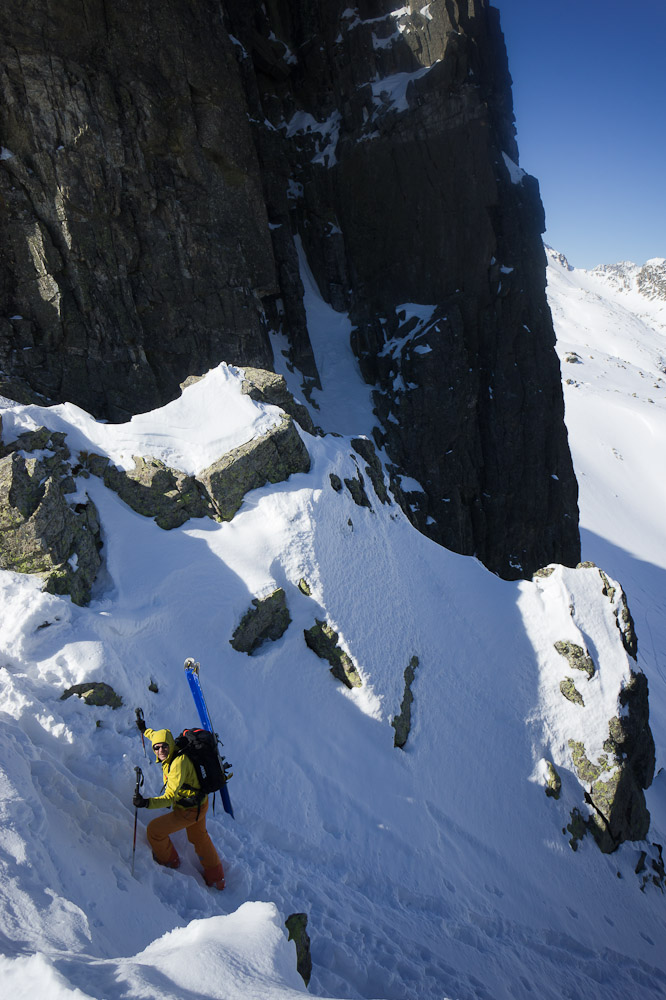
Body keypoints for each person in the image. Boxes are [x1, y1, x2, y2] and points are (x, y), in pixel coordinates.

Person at [133, 718, 225, 890]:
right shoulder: (172, 746)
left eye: (164, 747)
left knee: (154, 831)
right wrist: (145, 729)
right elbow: (156, 736)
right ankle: (217, 877)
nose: (161, 750)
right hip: (199, 802)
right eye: (157, 748)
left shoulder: (178, 765)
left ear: (170, 745)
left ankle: (170, 861)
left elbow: (169, 798)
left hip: (188, 810)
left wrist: (145, 803)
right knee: (199, 838)